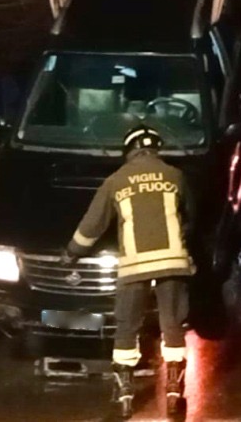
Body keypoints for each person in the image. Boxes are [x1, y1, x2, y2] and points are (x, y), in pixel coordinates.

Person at [63, 125, 195, 418]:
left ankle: (124, 393)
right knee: (172, 325)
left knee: (127, 326)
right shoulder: (176, 176)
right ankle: (174, 391)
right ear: (156, 149)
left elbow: (92, 226)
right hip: (173, 263)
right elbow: (190, 219)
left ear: (129, 151)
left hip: (134, 266)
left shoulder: (115, 181)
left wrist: (72, 253)